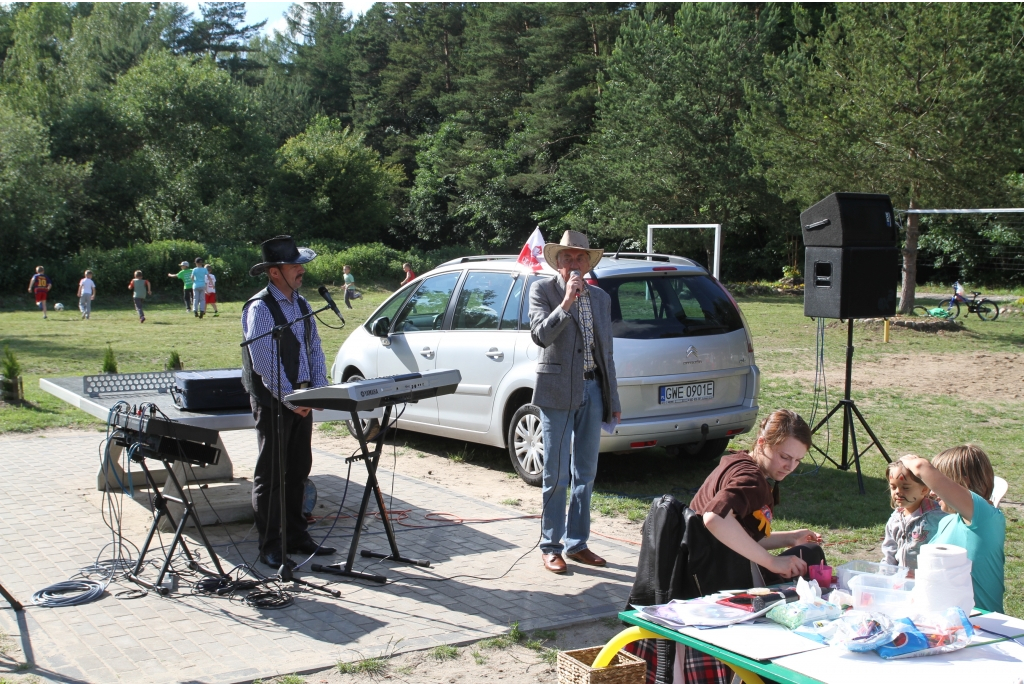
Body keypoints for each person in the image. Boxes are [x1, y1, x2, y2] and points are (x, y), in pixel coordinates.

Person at [529, 230, 621, 574]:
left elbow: (606, 352)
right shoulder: (542, 290)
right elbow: (540, 335)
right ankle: (551, 545)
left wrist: (614, 398)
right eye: (567, 257)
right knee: (556, 473)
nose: (574, 263)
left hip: (593, 389)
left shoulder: (600, 298)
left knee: (586, 472)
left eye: (580, 257)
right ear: (558, 262)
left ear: (588, 262)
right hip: (557, 391)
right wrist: (566, 301)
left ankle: (577, 543)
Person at [241, 235, 335, 569]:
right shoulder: (260, 309)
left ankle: (296, 536)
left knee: (298, 471)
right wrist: (292, 400)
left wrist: (318, 391)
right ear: (274, 272)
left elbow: (314, 350)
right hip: (274, 402)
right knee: (271, 475)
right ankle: (270, 544)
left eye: (301, 264)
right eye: (294, 265)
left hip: (302, 399)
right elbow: (265, 362)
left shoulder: (303, 304)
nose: (301, 271)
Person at [690, 409, 825, 584]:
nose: (790, 467)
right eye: (785, 457)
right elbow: (715, 518)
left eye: (798, 460)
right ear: (761, 443)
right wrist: (772, 562)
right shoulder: (750, 479)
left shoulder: (737, 461)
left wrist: (789, 538)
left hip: (706, 565)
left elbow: (737, 539)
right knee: (811, 555)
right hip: (719, 578)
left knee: (809, 551)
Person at [899, 446, 1005, 612]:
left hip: (982, 622)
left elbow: (920, 467)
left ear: (965, 481)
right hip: (946, 620)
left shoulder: (984, 516)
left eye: (941, 482)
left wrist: (907, 460)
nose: (932, 493)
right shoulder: (946, 521)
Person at [881, 460, 947, 570]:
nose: (897, 491)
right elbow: (889, 553)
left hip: (927, 580)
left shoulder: (938, 516)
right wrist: (884, 576)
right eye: (893, 487)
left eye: (905, 487)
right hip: (901, 581)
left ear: (924, 489)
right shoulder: (895, 520)